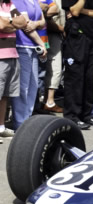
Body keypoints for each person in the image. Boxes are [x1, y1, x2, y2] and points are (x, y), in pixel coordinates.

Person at [62, 0, 93, 129]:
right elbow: (74, 11)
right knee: (75, 78)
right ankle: (72, 116)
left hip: (92, 38)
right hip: (76, 37)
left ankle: (86, 115)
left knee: (89, 77)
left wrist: (83, 11)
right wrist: (80, 9)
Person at [12, 0, 48, 130]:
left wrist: (37, 23)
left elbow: (43, 21)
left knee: (33, 85)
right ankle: (20, 123)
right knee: (23, 87)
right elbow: (25, 25)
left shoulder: (34, 1)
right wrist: (42, 44)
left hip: (33, 46)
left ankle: (27, 119)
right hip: (22, 45)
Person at [0, 0, 26, 143]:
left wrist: (9, 23)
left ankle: (1, 128)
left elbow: (22, 22)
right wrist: (13, 23)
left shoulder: (9, 4)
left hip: (12, 54)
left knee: (5, 95)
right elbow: (1, 25)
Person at [43, 0, 65, 113]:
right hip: (50, 35)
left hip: (57, 35)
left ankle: (48, 100)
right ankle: (49, 102)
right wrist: (62, 29)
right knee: (53, 67)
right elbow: (45, 17)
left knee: (53, 68)